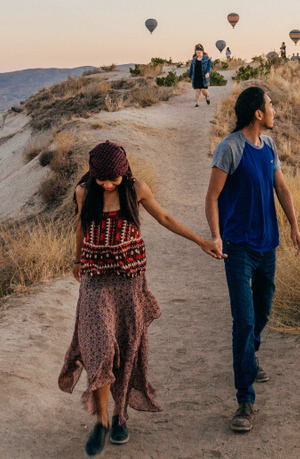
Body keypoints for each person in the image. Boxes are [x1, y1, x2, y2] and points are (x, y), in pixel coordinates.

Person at [60, 141, 223, 457]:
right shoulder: (84, 191)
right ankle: (101, 422)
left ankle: (120, 415)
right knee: (100, 348)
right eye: (102, 179)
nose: (108, 185)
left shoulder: (136, 189)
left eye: (114, 179)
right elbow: (81, 227)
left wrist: (200, 241)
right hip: (95, 279)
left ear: (124, 172)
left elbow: (164, 218)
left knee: (127, 348)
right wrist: (77, 260)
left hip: (128, 280)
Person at [205, 86, 300, 434]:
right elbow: (212, 196)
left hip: (267, 245)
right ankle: (245, 401)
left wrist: (294, 226)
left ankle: (251, 354)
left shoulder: (270, 146)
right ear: (258, 113)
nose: (274, 110)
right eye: (271, 105)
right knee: (244, 321)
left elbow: (282, 188)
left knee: (263, 310)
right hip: (237, 248)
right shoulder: (230, 148)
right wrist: (216, 236)